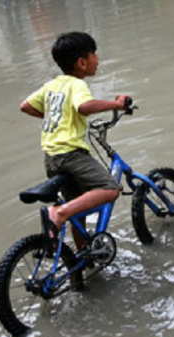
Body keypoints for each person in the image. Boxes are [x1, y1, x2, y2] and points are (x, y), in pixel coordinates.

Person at [19, 32, 130, 247]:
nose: (97, 59)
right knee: (110, 189)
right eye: (94, 54)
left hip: (52, 158)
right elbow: (84, 107)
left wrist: (57, 114)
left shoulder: (52, 85)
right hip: (71, 154)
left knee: (78, 211)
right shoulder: (76, 84)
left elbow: (26, 106)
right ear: (82, 62)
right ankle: (59, 213)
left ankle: (83, 257)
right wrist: (116, 104)